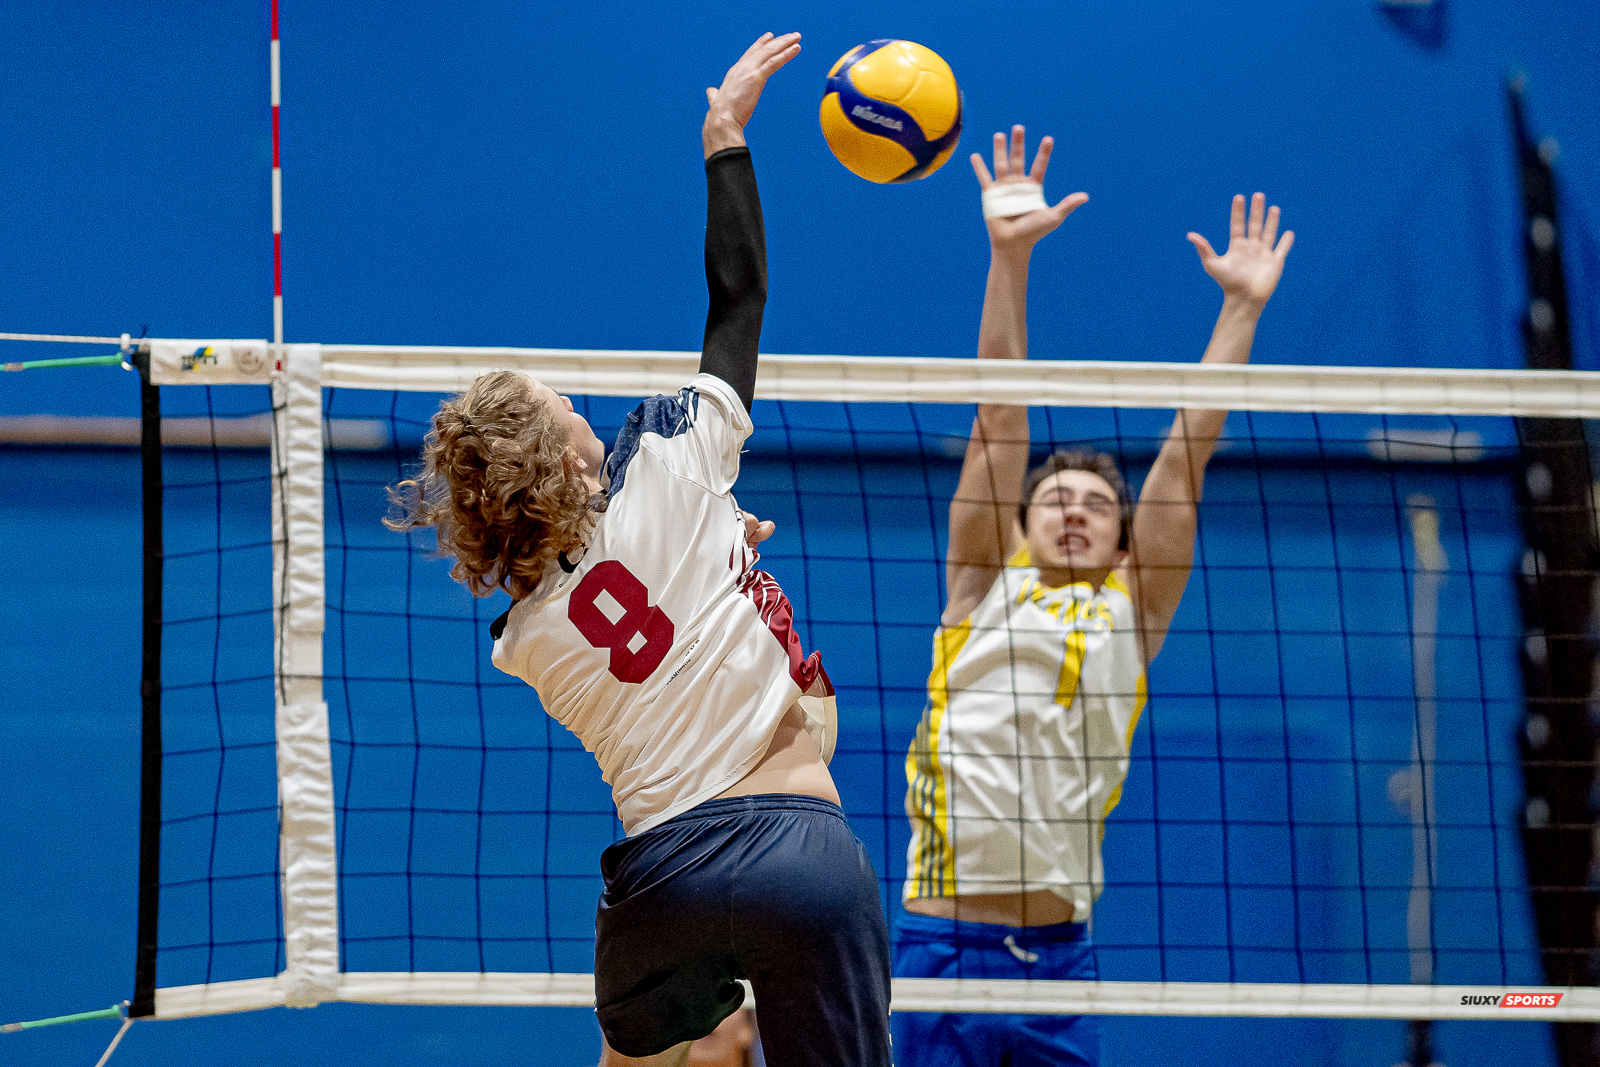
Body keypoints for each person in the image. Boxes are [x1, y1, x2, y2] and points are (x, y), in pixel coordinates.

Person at [388, 33, 891, 1067]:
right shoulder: (666, 459)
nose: (576, 401)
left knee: (636, 1052)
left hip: (663, 885)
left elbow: (611, 588)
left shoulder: (522, 637)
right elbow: (736, 305)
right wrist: (725, 141)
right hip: (799, 848)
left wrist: (725, 558)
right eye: (558, 404)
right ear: (565, 463)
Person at [896, 125, 1295, 1066]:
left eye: (1096, 505)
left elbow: (1185, 456)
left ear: (1123, 537)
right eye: (1054, 499)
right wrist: (1007, 258)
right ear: (1023, 523)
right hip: (939, 948)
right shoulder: (980, 582)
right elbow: (1000, 421)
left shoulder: (1134, 606)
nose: (1073, 512)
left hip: (1059, 957)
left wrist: (1239, 311)